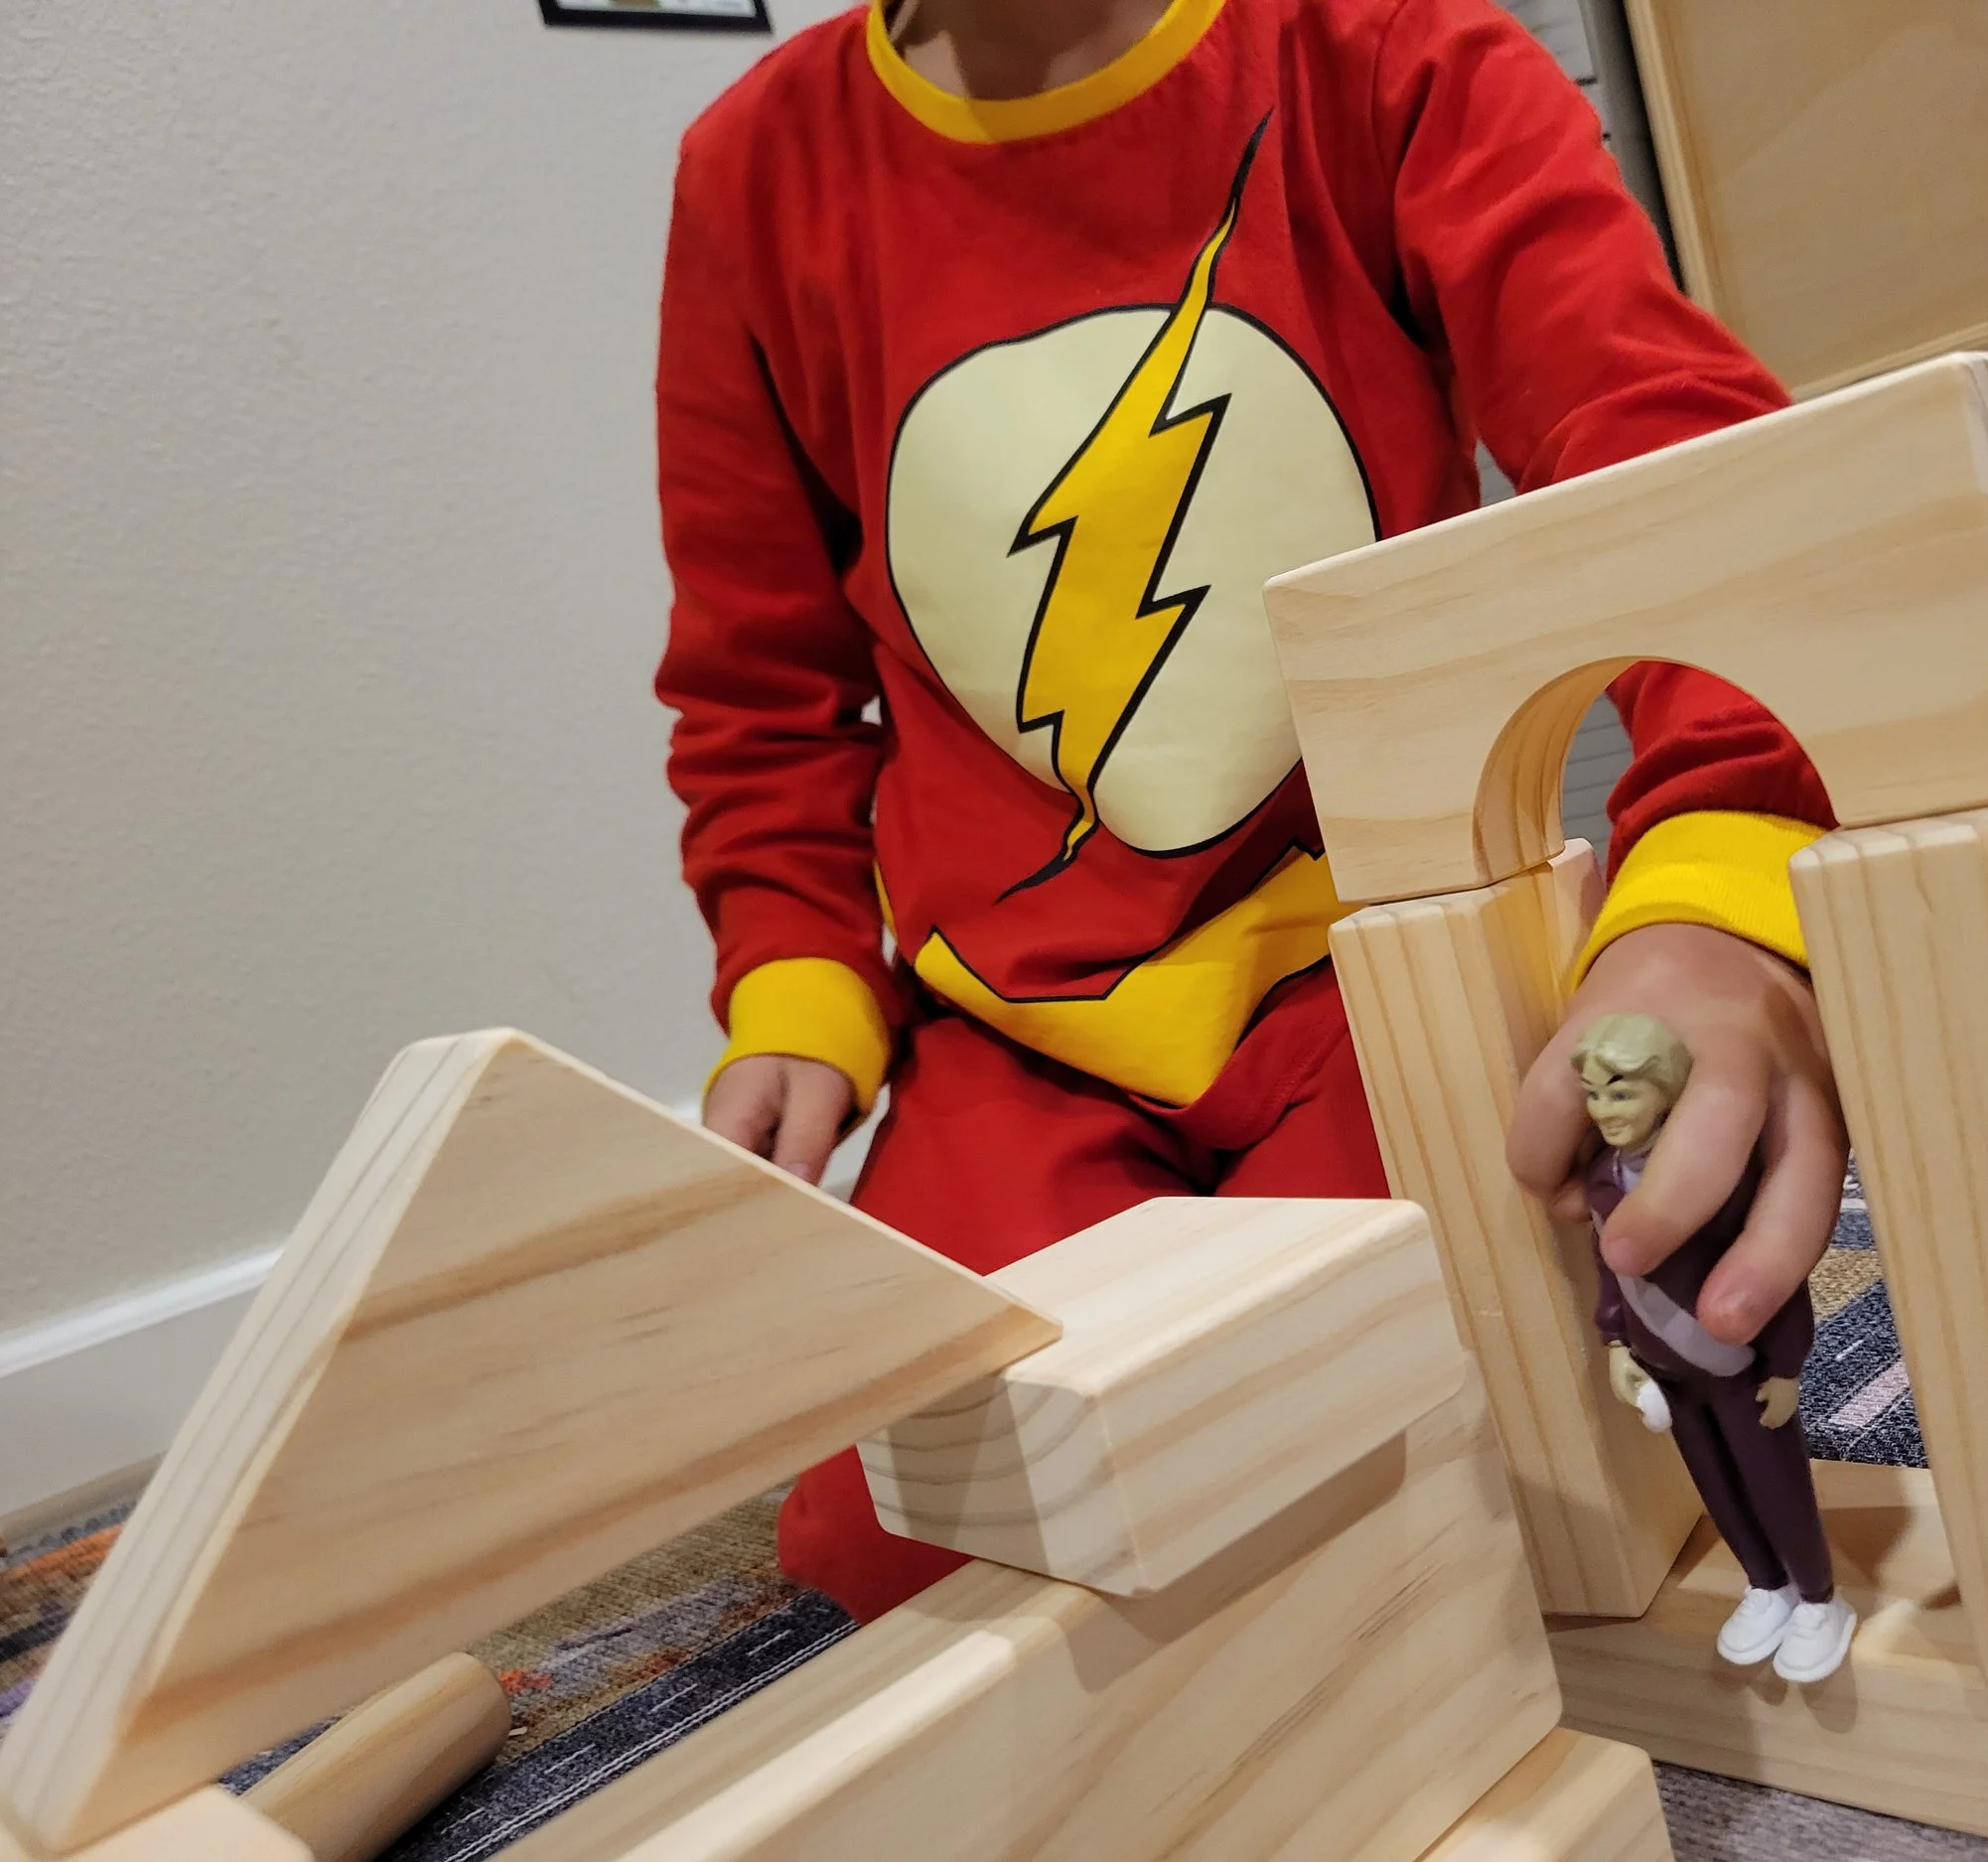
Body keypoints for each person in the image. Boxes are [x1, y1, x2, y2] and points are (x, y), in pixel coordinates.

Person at [655, 0, 1847, 1622]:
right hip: (1009, 1037)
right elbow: (760, 684)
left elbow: (1655, 456)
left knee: (1450, 1458)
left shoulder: (1390, 52)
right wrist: (794, 983)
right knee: (918, 1542)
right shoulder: (753, 173)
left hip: (1371, 981)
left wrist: (1723, 875)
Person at [1572, 1012, 1856, 1682]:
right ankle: (1765, 1583)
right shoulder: (1602, 1179)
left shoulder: (1715, 1171)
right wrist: (1615, 1340)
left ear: (1666, 1091)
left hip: (1740, 1365)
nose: (1605, 1109)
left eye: (1622, 1091)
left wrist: (1786, 1362)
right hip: (1668, 1373)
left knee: (1774, 1483)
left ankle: (1819, 1597)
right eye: (1594, 1092)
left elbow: (1771, 1261)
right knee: (1716, 1486)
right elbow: (1611, 1265)